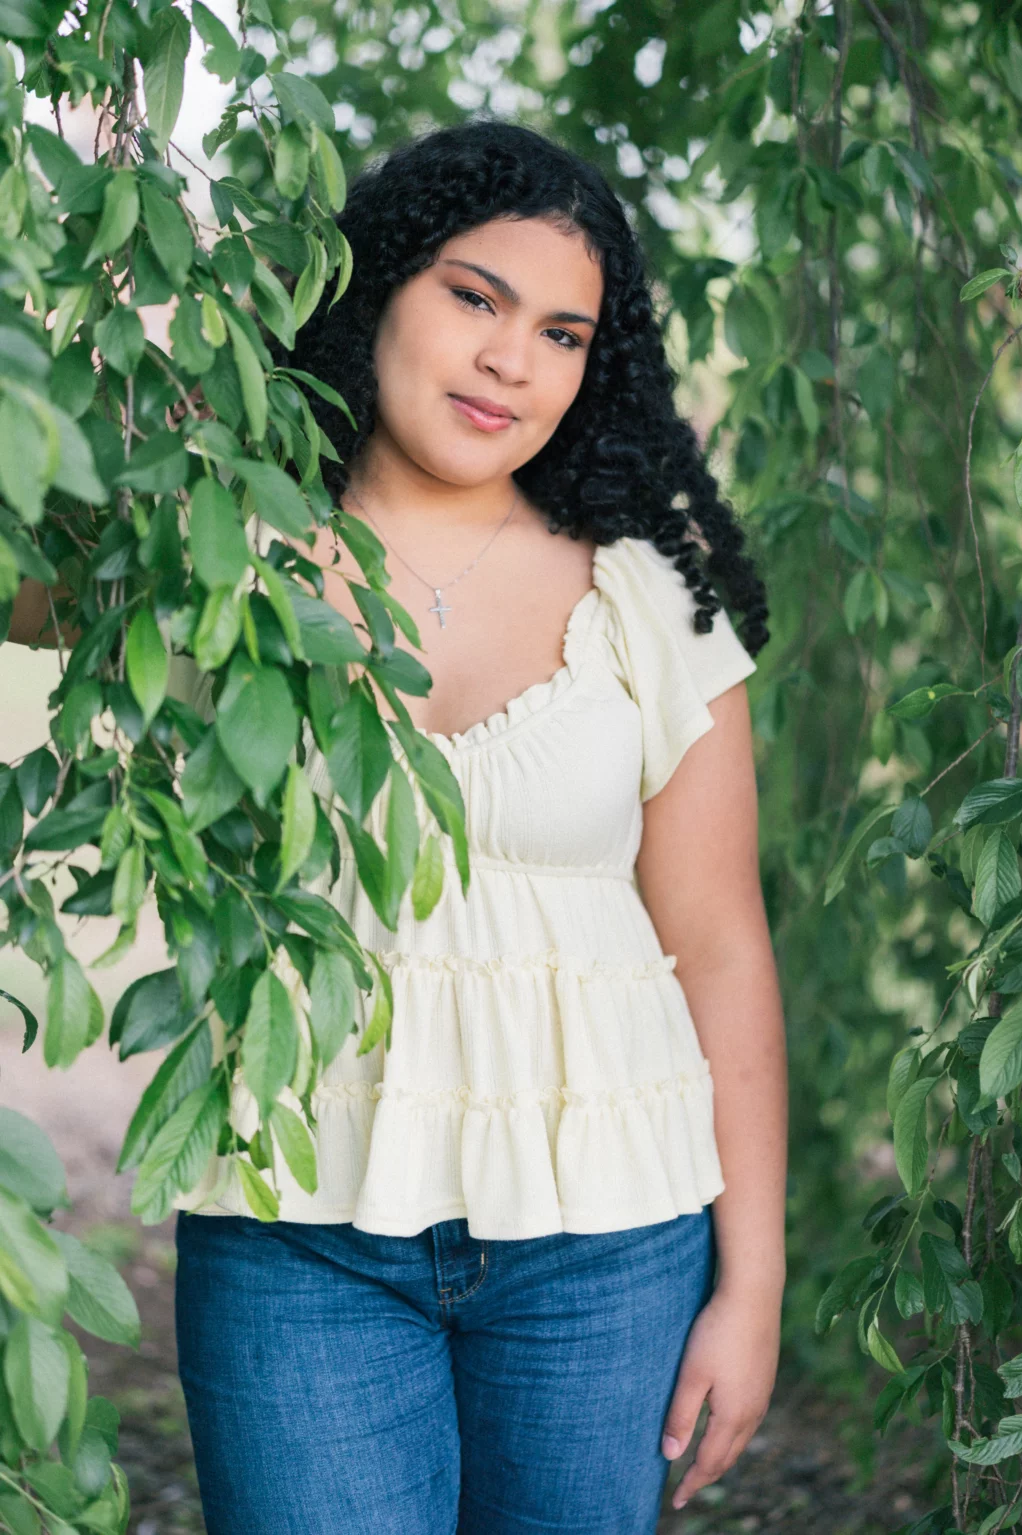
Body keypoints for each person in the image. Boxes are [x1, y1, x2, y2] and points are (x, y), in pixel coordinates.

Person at [8, 118, 788, 1534]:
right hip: (296, 1232)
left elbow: (722, 945)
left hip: (608, 1245)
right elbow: (25, 554)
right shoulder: (220, 552)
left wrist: (754, 1286)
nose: (511, 361)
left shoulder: (648, 599)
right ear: (374, 288)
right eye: (475, 298)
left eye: (561, 334)